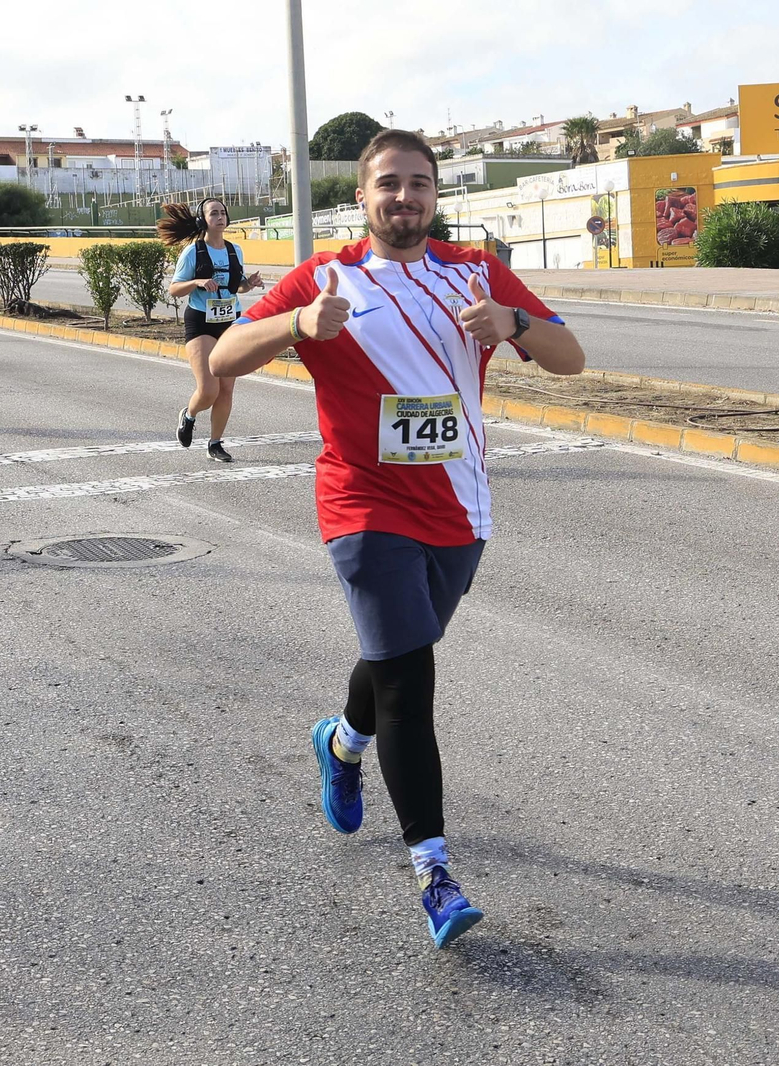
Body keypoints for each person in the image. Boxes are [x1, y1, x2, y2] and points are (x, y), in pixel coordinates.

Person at [208, 129, 586, 949]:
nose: (404, 198)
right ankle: (435, 876)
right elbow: (225, 356)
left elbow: (571, 359)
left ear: (435, 196)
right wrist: (300, 324)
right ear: (364, 196)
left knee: (394, 659)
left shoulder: (477, 273)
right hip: (363, 505)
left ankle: (341, 742)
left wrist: (513, 322)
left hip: (457, 510)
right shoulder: (327, 277)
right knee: (411, 682)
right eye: (389, 184)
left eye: (419, 184)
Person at [159, 199, 264, 463]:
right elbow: (174, 288)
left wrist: (248, 284)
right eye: (213, 213)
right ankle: (189, 416)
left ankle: (215, 443)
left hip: (230, 322)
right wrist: (196, 281)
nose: (220, 217)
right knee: (209, 390)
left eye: (223, 212)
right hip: (201, 322)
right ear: (203, 220)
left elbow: (235, 286)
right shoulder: (193, 252)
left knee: (226, 389)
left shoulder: (234, 250)